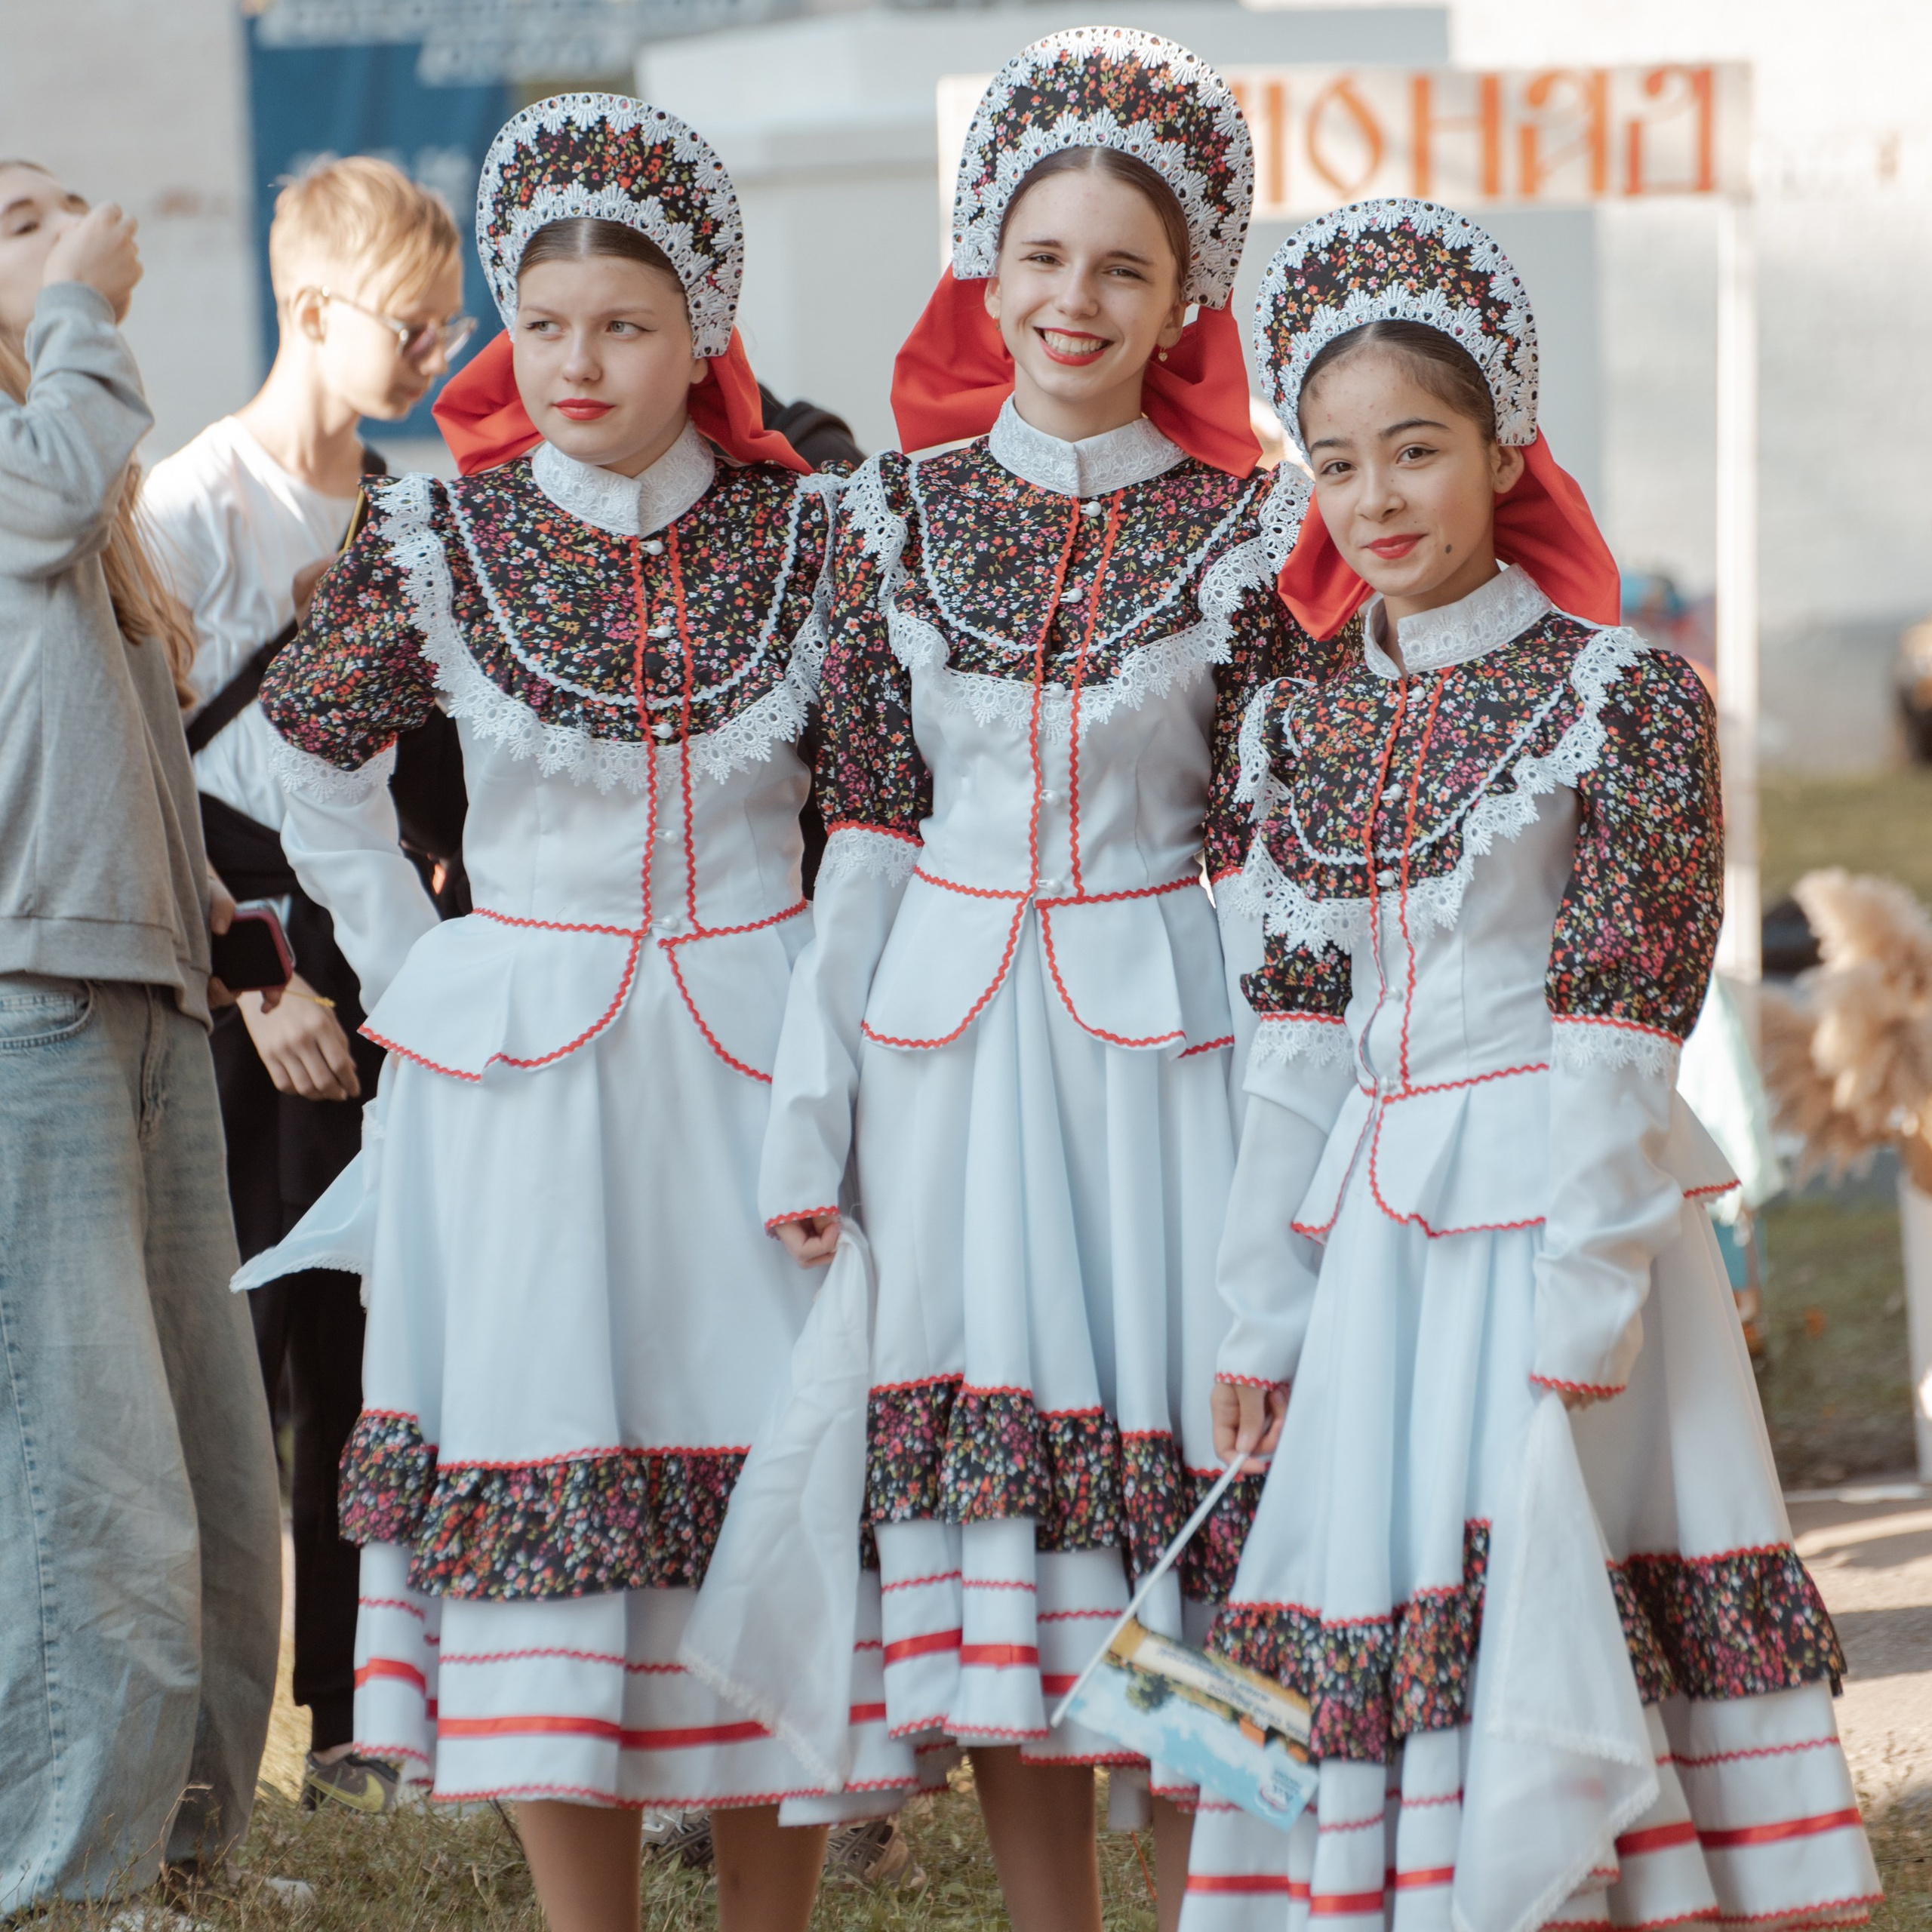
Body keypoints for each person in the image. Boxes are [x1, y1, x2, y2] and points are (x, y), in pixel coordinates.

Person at [232, 94, 910, 1932]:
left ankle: (770, 1909)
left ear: (704, 332)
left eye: (622, 324)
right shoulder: (438, 536)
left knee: (770, 1458)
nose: (577, 362)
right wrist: (421, 965)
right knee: (550, 1465)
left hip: (761, 1051)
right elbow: (306, 763)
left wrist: (834, 1030)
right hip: (519, 1071)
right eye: (539, 328)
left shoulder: (814, 536)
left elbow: (878, 810)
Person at [1180, 200, 1878, 1928]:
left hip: (1561, 1219)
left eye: (1414, 448)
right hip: (1383, 1253)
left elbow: (1621, 1021)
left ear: (1503, 448)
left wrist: (1583, 1295)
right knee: (1378, 1569)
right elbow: (1290, 1033)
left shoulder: (1617, 696)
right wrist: (1254, 1309)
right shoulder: (1295, 719)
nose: (1376, 497)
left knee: (1565, 1561)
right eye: (1333, 463)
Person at [751, 32, 1333, 1932]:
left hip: (1165, 1044)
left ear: (1183, 301)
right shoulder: (885, 515)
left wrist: (1287, 1138)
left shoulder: (1255, 531)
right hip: (941, 1057)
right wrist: (809, 1110)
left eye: (1121, 267)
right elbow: (861, 829)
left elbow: (1271, 854)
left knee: (1178, 1485)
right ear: (981, 266)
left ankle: (1209, 1898)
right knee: (992, 1506)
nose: (1071, 298)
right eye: (1040, 254)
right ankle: (1045, 1916)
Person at [143, 154, 474, 1816]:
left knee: (371, 1334)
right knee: (258, 1348)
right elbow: (160, 772)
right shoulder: (189, 505)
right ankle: (227, 1728)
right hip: (245, 985)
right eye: (410, 323)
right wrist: (258, 973)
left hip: (387, 976)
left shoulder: (411, 512)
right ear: (313, 307)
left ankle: (362, 1705)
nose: (435, 350)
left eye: (448, 323)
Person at [0, 162, 281, 1909]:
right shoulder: (49, 451)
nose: (65, 232)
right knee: (95, 1472)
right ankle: (66, 1873)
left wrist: (216, 934)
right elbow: (39, 501)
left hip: (147, 986)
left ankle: (185, 1844)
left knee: (210, 1468)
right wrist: (82, 303)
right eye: (15, 218)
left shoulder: (63, 454)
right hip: (29, 1008)